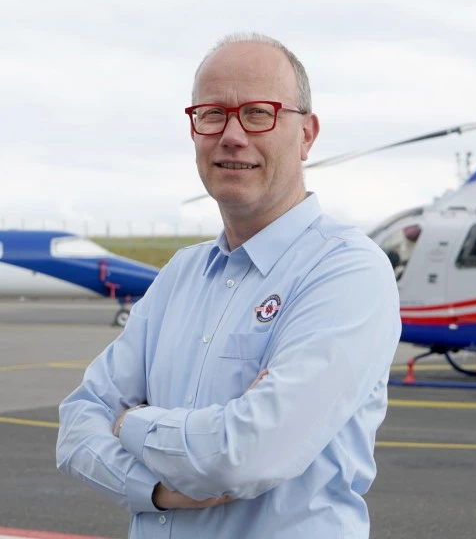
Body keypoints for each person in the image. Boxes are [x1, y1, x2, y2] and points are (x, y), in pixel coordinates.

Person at [56, 32, 401, 539]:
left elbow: (246, 455)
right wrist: (153, 490)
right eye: (212, 114)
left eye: (259, 113)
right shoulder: (181, 275)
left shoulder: (347, 271)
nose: (232, 136)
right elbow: (75, 425)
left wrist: (130, 423)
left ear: (307, 135)